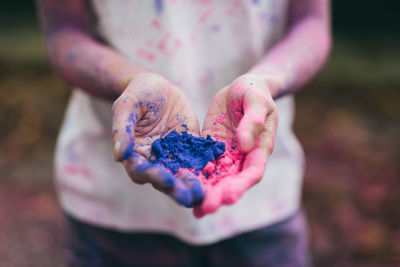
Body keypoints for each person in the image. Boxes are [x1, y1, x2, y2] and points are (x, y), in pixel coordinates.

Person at [37, 0, 331, 266]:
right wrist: (128, 81)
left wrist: (268, 81)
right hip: (112, 204)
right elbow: (64, 31)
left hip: (263, 193)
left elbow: (311, 24)